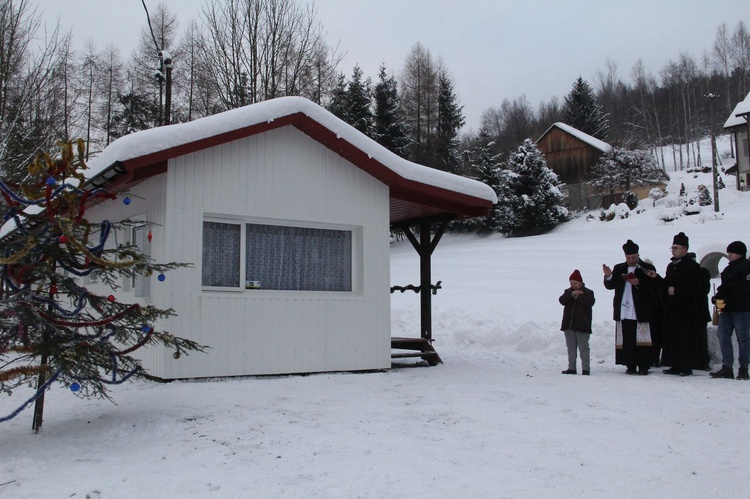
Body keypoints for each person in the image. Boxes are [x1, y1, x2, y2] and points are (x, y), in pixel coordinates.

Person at [645, 232, 703, 376]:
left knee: (685, 338)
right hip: (672, 309)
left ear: (684, 249)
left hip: (686, 308)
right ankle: (675, 364)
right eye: (672, 248)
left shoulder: (693, 266)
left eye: (676, 248)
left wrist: (677, 291)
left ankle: (686, 366)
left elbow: (697, 288)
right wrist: (656, 278)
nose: (673, 250)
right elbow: (666, 285)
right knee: (673, 337)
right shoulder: (671, 266)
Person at [603, 240, 656, 375]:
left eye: (633, 257)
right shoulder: (619, 268)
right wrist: (608, 276)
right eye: (628, 258)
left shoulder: (647, 268)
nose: (631, 260)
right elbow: (611, 285)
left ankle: (644, 365)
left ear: (638, 255)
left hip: (640, 308)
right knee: (627, 338)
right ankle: (630, 364)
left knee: (642, 338)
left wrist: (638, 283)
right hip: (624, 308)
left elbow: (653, 287)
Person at [709, 241, 750, 380]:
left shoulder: (746, 267)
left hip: (742, 309)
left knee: (743, 339)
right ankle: (727, 366)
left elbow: (744, 287)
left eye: (732, 252)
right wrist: (717, 297)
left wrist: (726, 290)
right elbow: (724, 286)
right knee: (723, 336)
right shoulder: (729, 268)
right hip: (726, 308)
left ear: (740, 253)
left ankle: (743, 368)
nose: (729, 255)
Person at [559, 269, 596, 375]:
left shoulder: (588, 292)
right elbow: (562, 300)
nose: (573, 285)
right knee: (571, 348)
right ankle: (572, 368)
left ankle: (586, 369)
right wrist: (572, 294)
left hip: (582, 325)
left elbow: (590, 302)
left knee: (584, 348)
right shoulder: (568, 292)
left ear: (580, 283)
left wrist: (578, 296)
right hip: (568, 325)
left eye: (575, 283)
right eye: (571, 283)